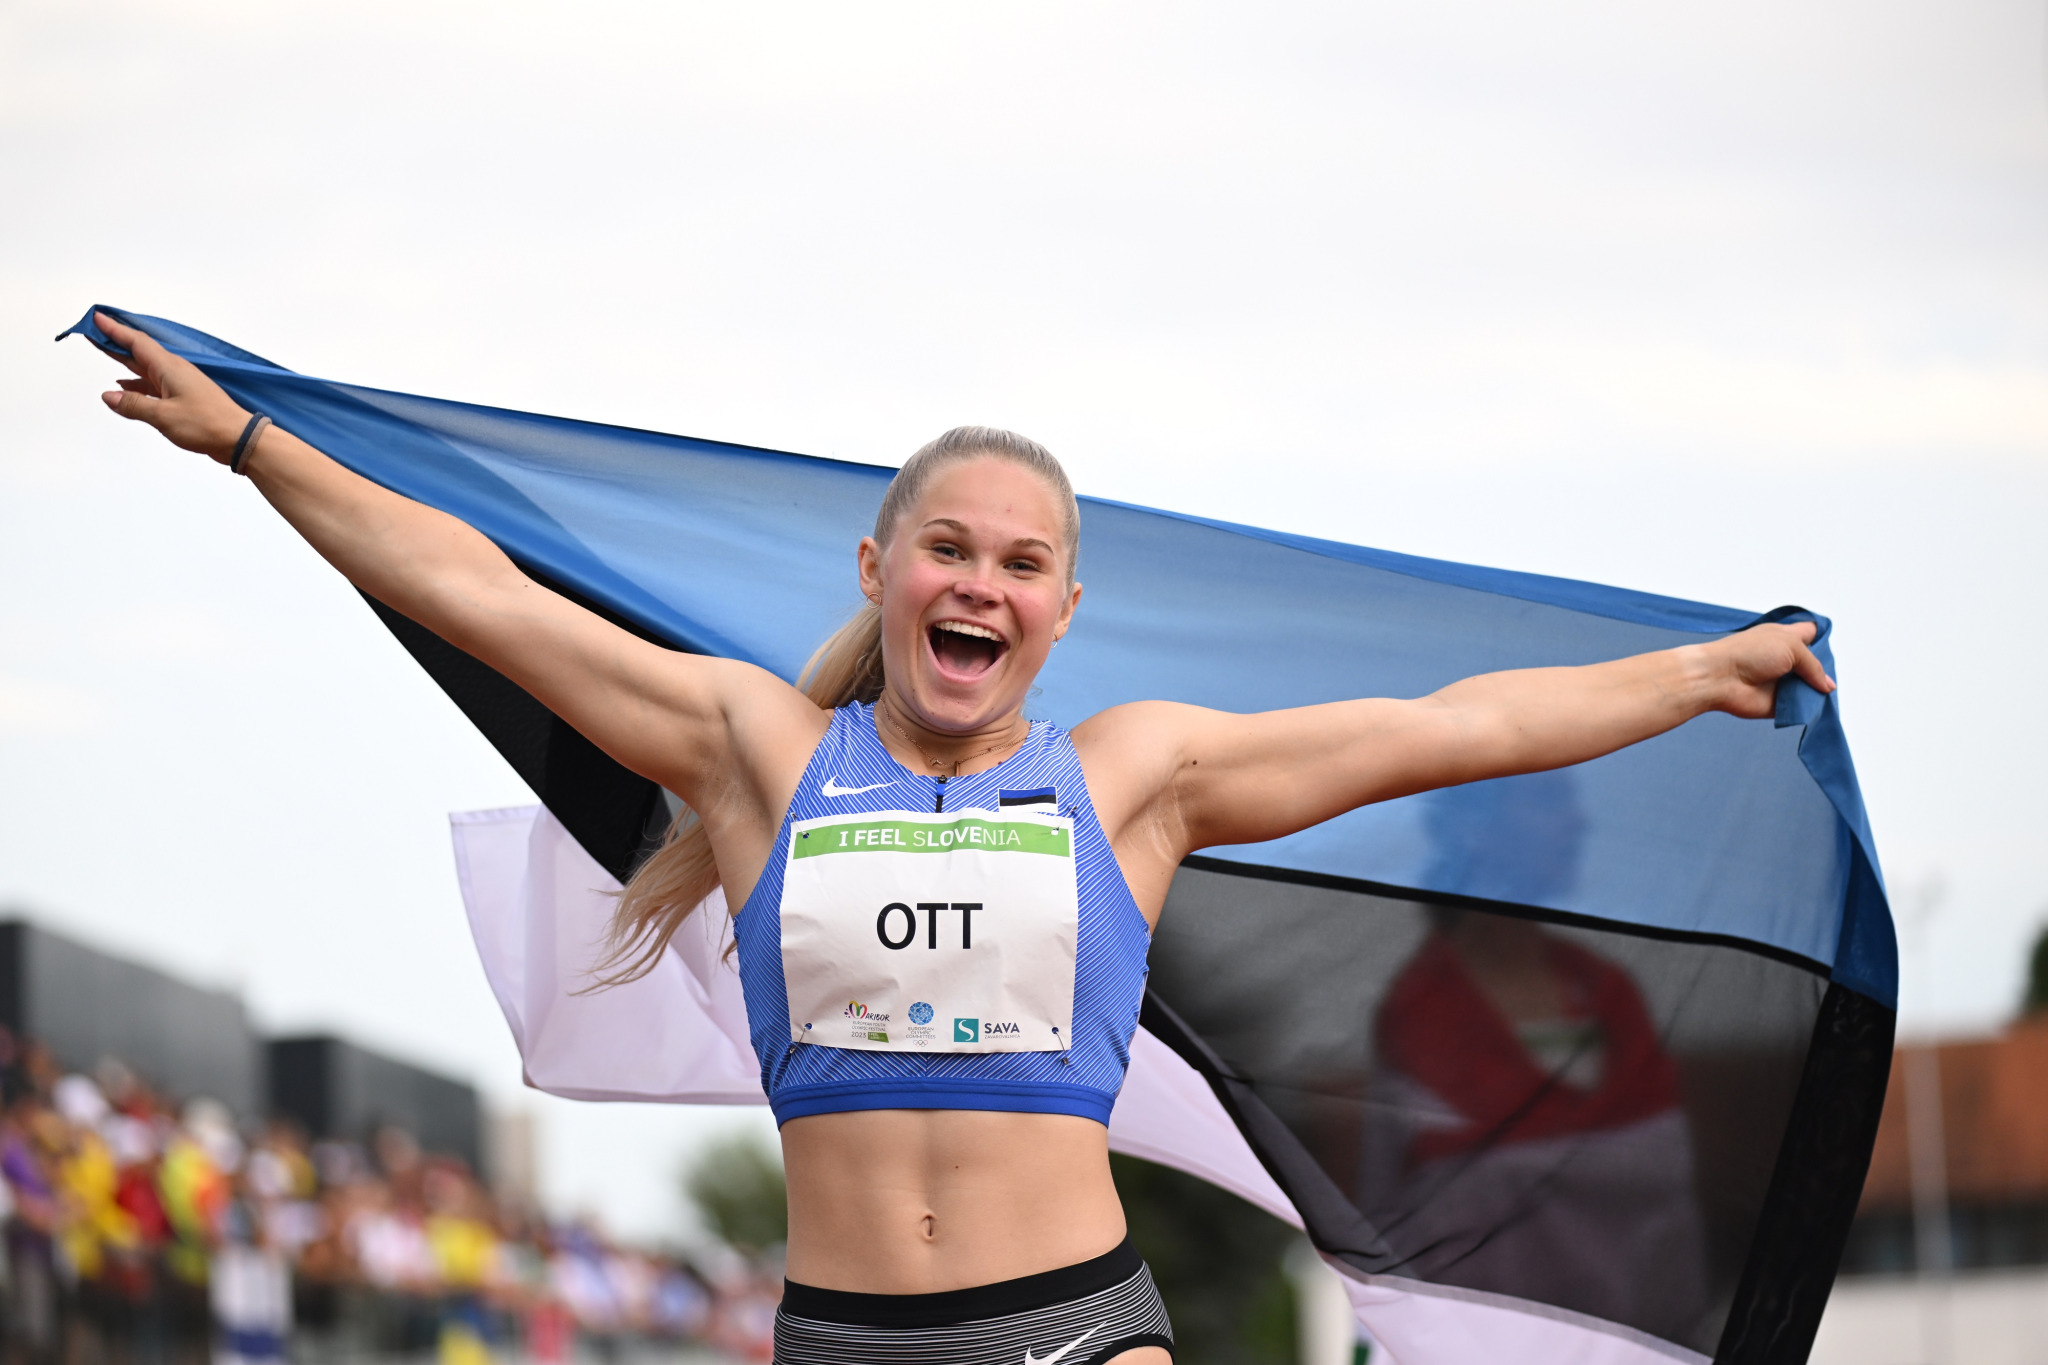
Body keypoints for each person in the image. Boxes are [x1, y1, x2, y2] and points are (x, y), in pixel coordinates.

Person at [86, 313, 1835, 1365]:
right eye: (947, 547)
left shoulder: (1134, 779)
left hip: (1072, 1324)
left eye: (1019, 562)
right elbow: (475, 591)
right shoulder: (760, 753)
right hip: (841, 1337)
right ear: (878, 570)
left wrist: (1694, 673)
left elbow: (1442, 730)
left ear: (1064, 607)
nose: (978, 581)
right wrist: (249, 439)